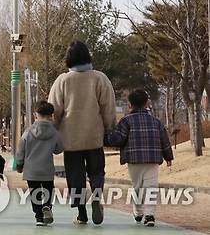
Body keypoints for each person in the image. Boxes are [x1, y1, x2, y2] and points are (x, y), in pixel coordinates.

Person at [48, 40, 116, 225]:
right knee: (97, 172)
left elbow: (54, 110)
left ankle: (81, 214)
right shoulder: (100, 78)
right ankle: (96, 197)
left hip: (70, 139)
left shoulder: (62, 80)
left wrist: (53, 130)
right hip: (94, 136)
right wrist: (109, 127)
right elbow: (108, 107)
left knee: (75, 176)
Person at [105, 90, 174, 227]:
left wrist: (104, 138)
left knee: (137, 187)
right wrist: (168, 156)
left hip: (134, 159)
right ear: (147, 103)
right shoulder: (156, 122)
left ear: (130, 104)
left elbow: (118, 139)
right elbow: (164, 140)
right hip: (153, 158)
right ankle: (150, 215)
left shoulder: (126, 121)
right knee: (151, 186)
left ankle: (138, 212)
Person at [15, 100, 64, 227]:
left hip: (31, 170)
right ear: (51, 115)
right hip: (47, 169)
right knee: (48, 189)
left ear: (35, 114)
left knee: (35, 193)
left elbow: (20, 150)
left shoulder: (28, 131)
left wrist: (19, 164)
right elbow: (59, 148)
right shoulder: (54, 132)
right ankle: (47, 206)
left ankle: (39, 217)